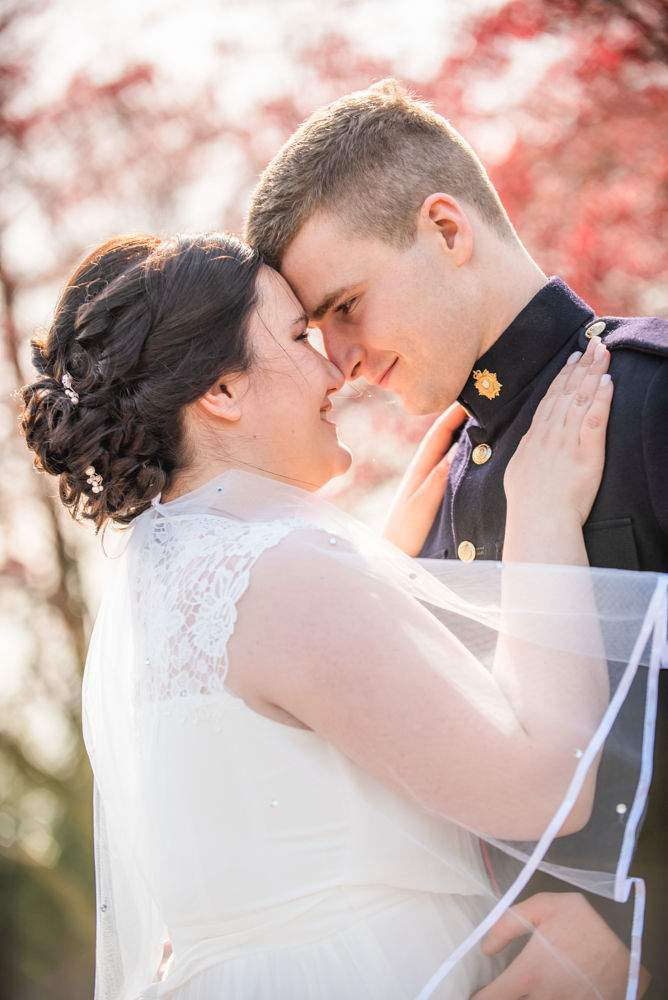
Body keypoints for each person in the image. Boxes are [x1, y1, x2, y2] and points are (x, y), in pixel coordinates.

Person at [20, 232, 661, 999]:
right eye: (298, 337)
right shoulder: (283, 573)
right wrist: (542, 516)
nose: (336, 369)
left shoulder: (175, 581)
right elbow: (547, 791)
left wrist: (389, 564)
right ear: (221, 392)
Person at [244, 78, 668, 998]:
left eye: (347, 305)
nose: (341, 362)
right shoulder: (436, 497)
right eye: (317, 331)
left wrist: (640, 931)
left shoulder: (648, 400)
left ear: (446, 228)